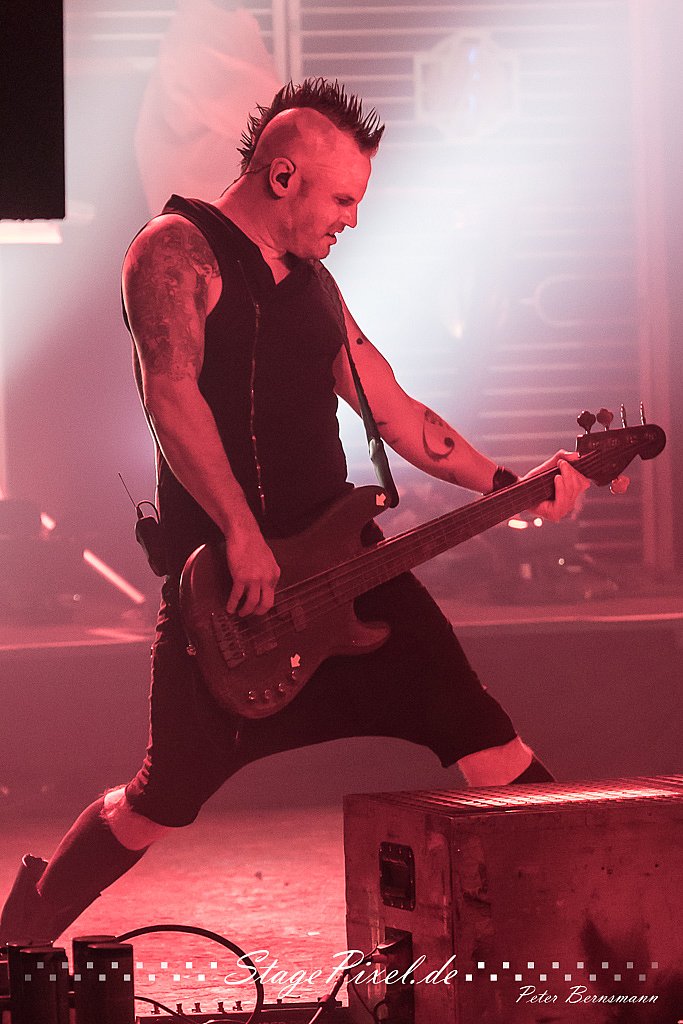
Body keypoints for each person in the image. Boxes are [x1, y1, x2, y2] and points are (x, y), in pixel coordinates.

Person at [1, 79, 604, 947]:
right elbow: (171, 396)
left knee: (482, 734)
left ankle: (602, 933)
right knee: (159, 801)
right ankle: (19, 942)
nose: (352, 220)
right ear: (283, 177)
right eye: (343, 199)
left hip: (348, 572)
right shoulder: (175, 251)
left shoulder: (317, 287)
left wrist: (509, 482)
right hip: (230, 595)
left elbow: (396, 412)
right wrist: (241, 532)